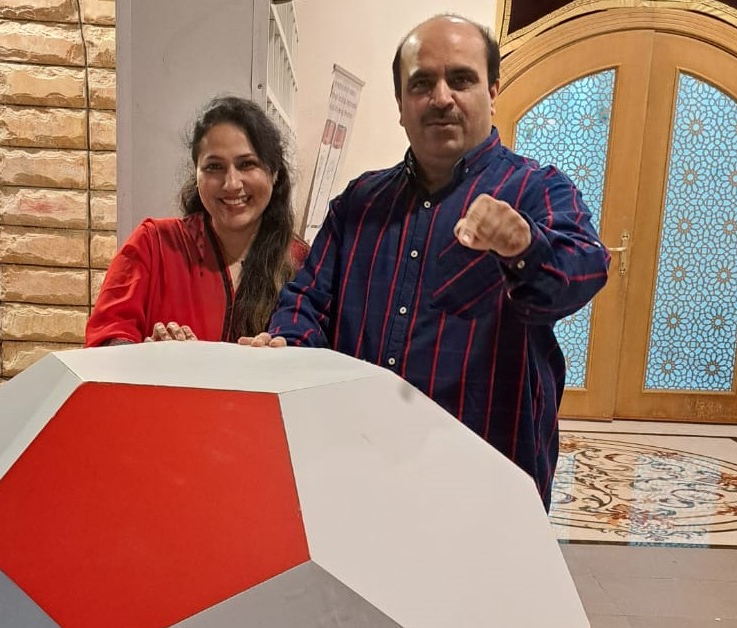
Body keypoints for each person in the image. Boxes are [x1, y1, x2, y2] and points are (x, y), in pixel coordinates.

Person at [247, 15, 609, 508]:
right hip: (361, 465)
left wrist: (524, 245)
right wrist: (287, 344)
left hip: (485, 478)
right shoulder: (360, 203)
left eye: (461, 79)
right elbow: (309, 299)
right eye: (422, 84)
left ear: (493, 91)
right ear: (400, 104)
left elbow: (584, 270)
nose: (441, 98)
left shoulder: (536, 190)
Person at [85, 96, 306, 347]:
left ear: (274, 172)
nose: (231, 183)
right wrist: (146, 356)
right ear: (197, 173)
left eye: (247, 164)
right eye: (214, 167)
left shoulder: (302, 263)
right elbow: (104, 344)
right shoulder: (154, 244)